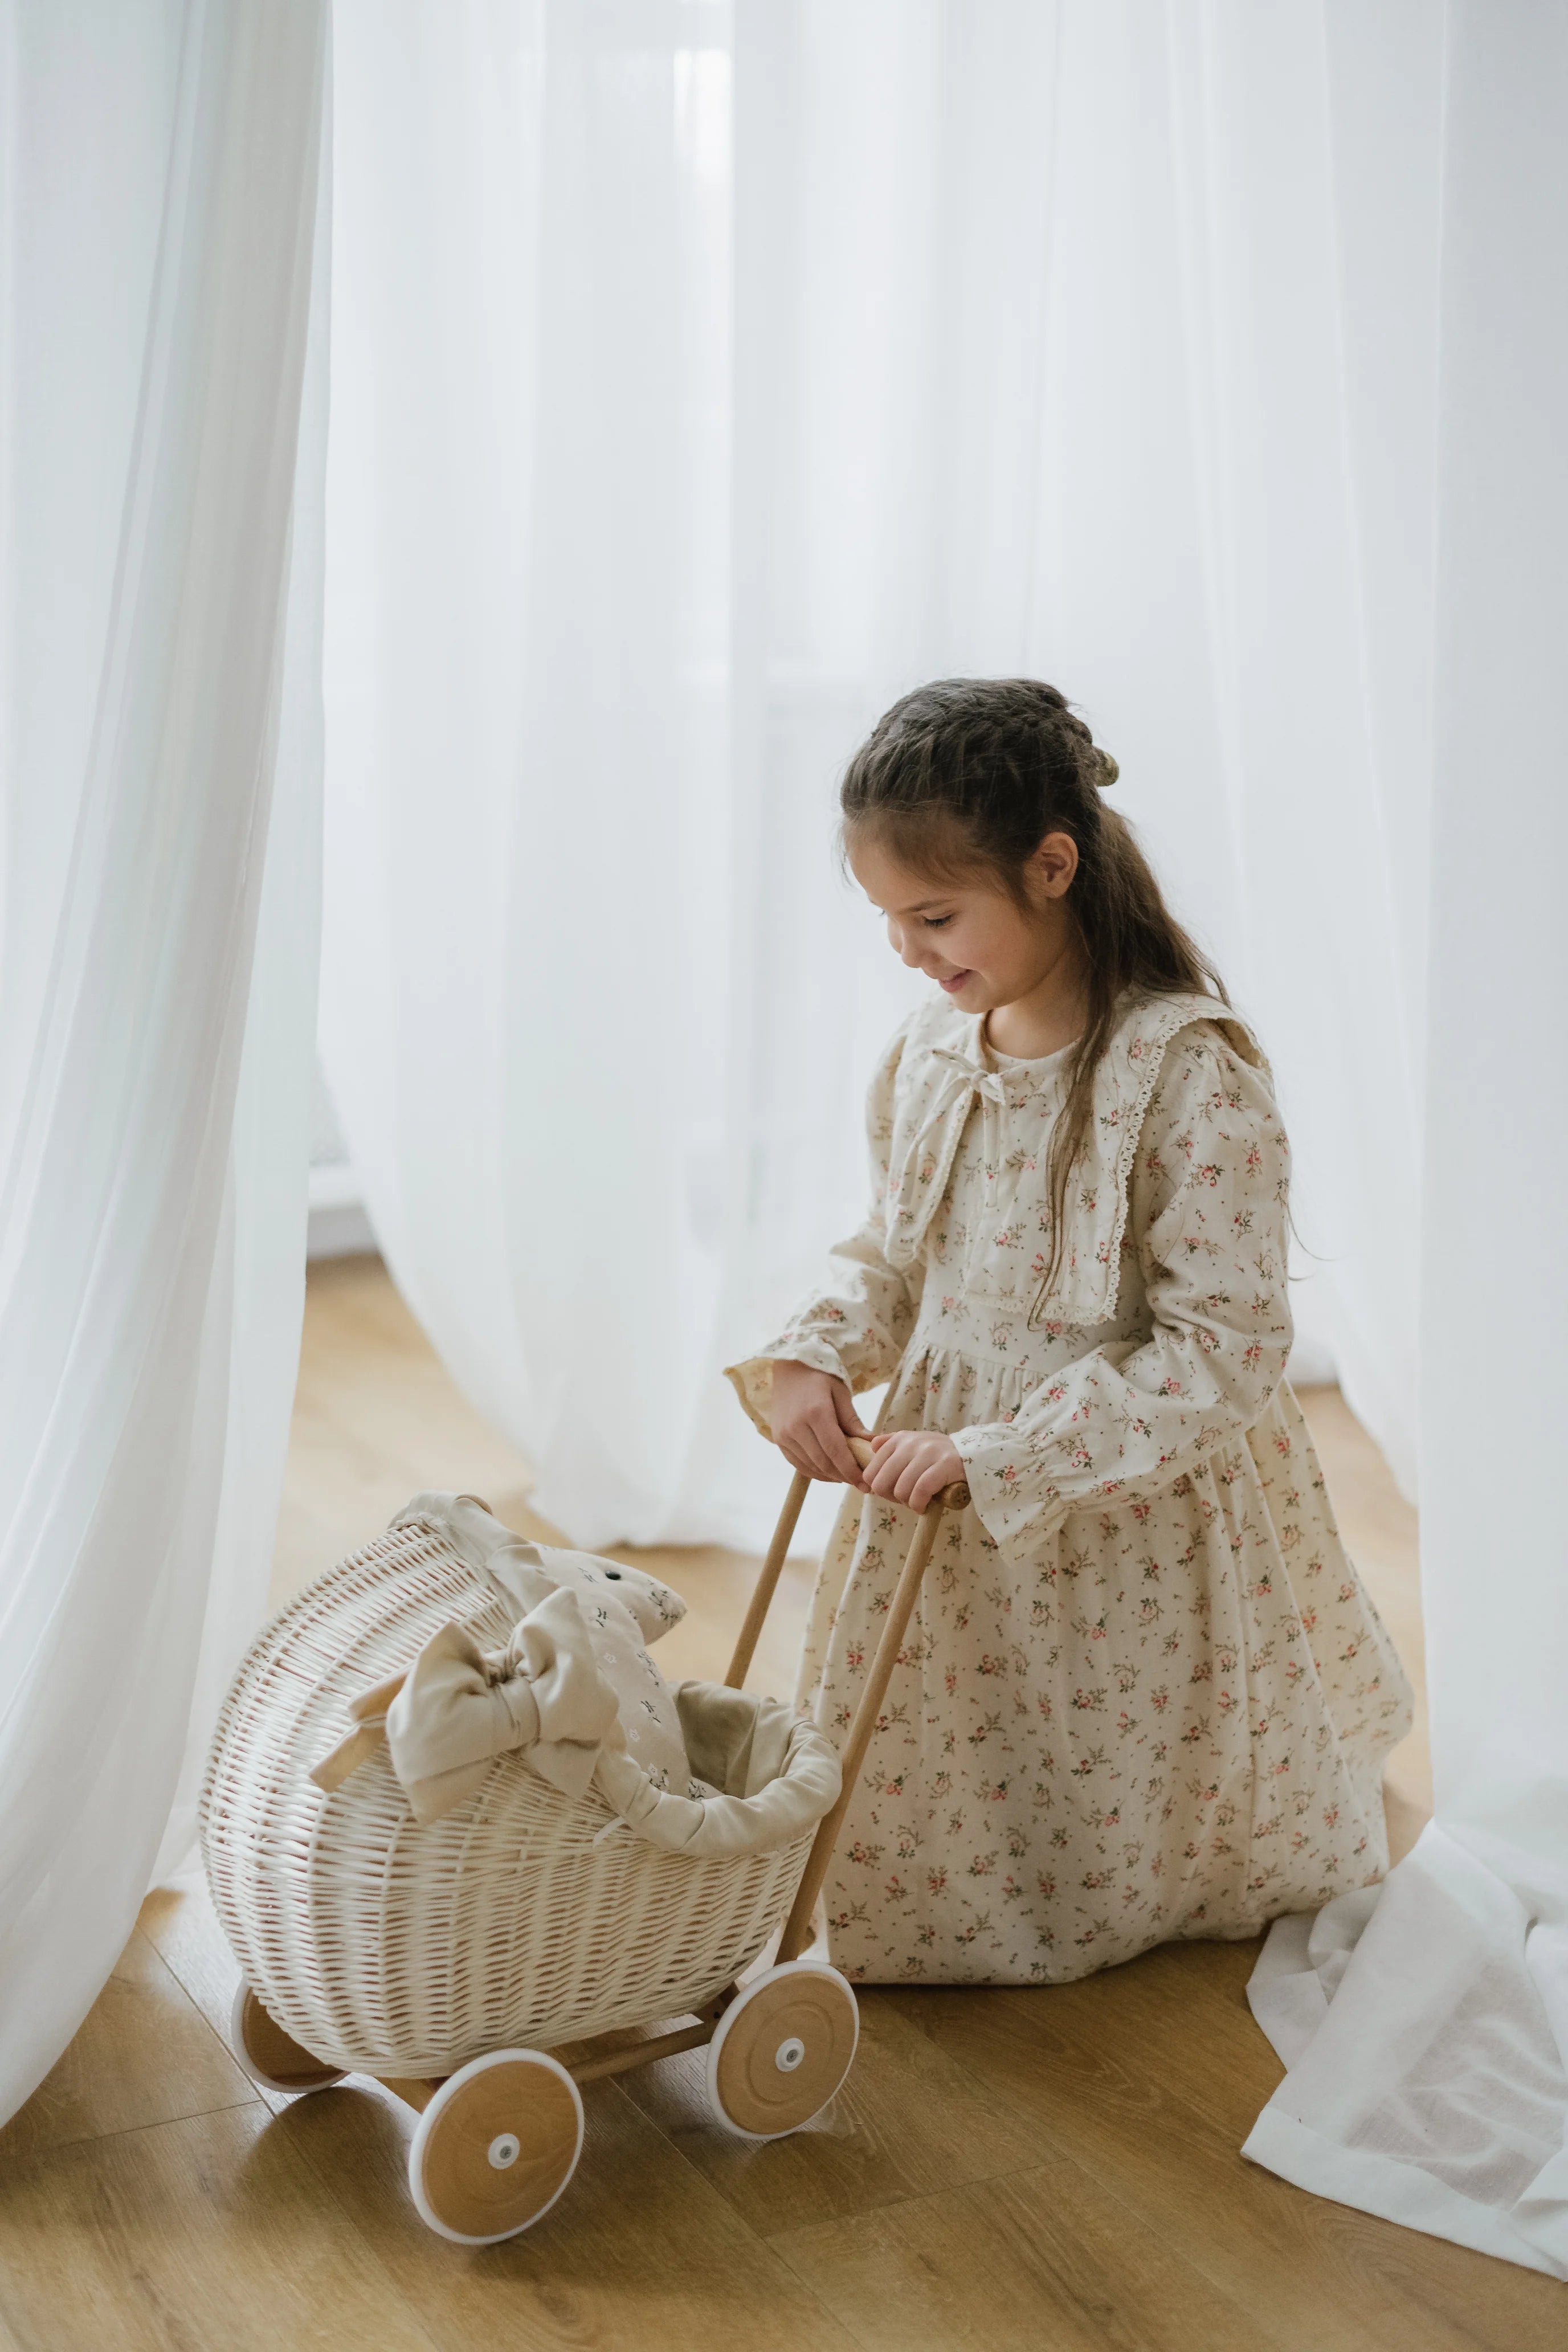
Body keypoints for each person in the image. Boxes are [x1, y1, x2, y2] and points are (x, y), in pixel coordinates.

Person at [726, 677, 1412, 1985]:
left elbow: (1219, 1348)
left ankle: (1130, 1888)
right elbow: (894, 1249)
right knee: (957, 1747)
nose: (909, 952)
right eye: (888, 921)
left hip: (1119, 1488)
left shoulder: (1187, 1077)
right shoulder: (931, 1057)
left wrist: (1015, 1450)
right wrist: (810, 1351)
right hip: (941, 1474)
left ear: (1050, 866)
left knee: (1112, 1748)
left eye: (933, 916)